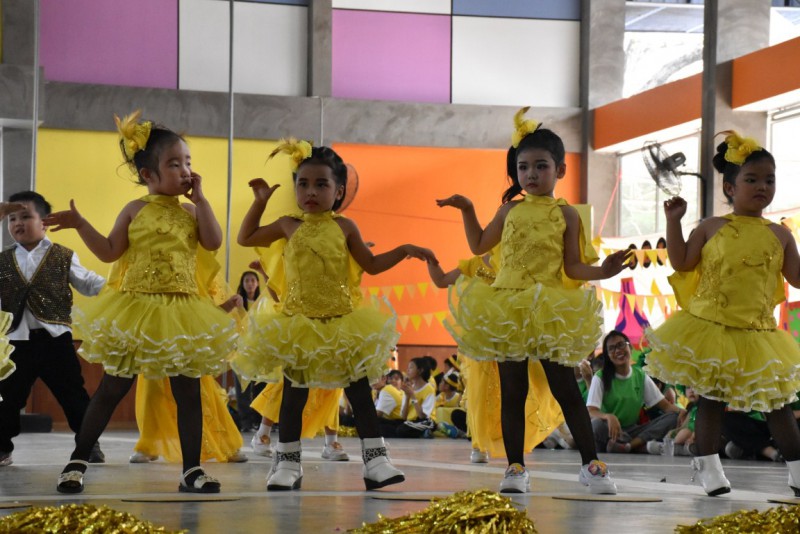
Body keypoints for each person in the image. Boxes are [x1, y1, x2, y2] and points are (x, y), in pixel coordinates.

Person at [439, 107, 628, 493]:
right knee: (513, 391)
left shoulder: (568, 214)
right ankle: (515, 468)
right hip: (507, 307)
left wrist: (603, 271)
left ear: (560, 170)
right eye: (523, 167)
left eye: (541, 166)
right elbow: (479, 245)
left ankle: (592, 465)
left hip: (549, 308)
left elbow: (573, 266)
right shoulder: (509, 210)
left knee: (566, 389)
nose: (531, 174)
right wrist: (468, 209)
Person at [46, 110, 236, 494]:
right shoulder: (135, 210)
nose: (185, 171)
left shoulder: (190, 211)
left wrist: (202, 200)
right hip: (137, 309)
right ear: (149, 175)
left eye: (188, 162)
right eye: (174, 164)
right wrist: (81, 224)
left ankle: (191, 470)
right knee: (112, 388)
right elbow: (110, 251)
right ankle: (78, 460)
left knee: (188, 392)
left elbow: (214, 241)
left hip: (182, 310)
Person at [233, 138, 437, 491]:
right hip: (300, 323)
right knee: (294, 395)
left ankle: (377, 462)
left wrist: (403, 249)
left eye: (321, 184)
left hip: (342, 321)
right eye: (303, 184)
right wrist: (260, 202)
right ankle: (287, 463)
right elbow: (245, 237)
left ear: (339, 190)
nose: (311, 191)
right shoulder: (287, 224)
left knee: (358, 392)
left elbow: (371, 265)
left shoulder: (345, 227)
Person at [645, 130, 800, 496]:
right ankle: (710, 470)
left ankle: (798, 472)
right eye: (752, 180)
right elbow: (682, 261)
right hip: (713, 328)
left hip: (759, 333)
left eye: (769, 180)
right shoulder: (712, 227)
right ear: (730, 188)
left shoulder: (781, 234)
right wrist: (673, 221)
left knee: (776, 403)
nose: (762, 187)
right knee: (712, 401)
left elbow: (797, 278)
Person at [0, 192, 106, 468]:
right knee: (7, 398)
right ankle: (1, 447)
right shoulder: (3, 260)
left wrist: (117, 286)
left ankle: (88, 444)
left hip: (55, 341)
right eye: (12, 219)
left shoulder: (63, 256)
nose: (17, 223)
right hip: (15, 342)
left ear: (44, 222)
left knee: (73, 394)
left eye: (25, 216)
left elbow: (90, 283)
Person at [427, 253, 565, 463]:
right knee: (480, 392)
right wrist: (431, 260)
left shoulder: (519, 259)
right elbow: (442, 280)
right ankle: (479, 444)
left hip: (515, 337)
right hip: (483, 341)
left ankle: (547, 424)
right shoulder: (474, 264)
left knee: (529, 384)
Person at [587, 330, 683, 454]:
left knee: (673, 417)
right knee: (596, 425)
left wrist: (685, 413)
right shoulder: (600, 377)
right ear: (608, 356)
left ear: (630, 347)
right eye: (611, 349)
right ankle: (628, 446)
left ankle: (630, 446)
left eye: (621, 345)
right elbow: (591, 411)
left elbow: (665, 406)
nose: (618, 351)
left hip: (634, 432)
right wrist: (608, 417)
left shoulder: (640, 375)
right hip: (610, 430)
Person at [233, 270, 266, 432]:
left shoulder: (263, 303)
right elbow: (237, 325)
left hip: (259, 350)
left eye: (253, 280)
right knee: (243, 389)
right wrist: (239, 309)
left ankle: (259, 421)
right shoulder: (237, 303)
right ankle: (246, 423)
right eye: (247, 280)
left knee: (260, 387)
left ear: (258, 283)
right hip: (241, 351)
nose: (250, 283)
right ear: (242, 284)